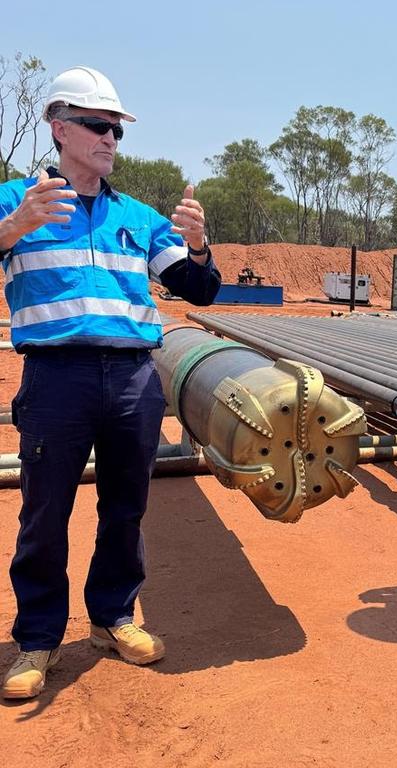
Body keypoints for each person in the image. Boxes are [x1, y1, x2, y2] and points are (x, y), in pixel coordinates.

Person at [0, 66, 221, 699]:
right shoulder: (15, 201)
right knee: (45, 513)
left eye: (116, 130)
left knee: (125, 508)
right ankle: (38, 640)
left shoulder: (139, 217)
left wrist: (200, 247)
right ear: (59, 128)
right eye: (99, 127)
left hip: (131, 378)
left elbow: (196, 287)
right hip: (55, 378)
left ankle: (113, 618)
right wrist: (16, 226)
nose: (110, 140)